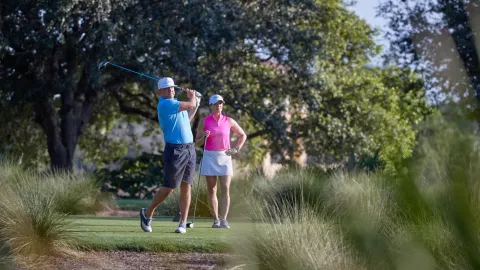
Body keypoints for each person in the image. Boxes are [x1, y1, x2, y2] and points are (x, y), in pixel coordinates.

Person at [140, 77, 200, 234]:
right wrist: (193, 97)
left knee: (187, 186)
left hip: (189, 149)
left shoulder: (176, 105)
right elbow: (191, 104)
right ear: (160, 92)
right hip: (175, 150)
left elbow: (187, 119)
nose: (170, 90)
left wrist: (196, 103)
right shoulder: (167, 104)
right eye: (166, 89)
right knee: (169, 188)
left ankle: (182, 223)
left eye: (172, 88)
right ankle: (147, 213)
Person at [195, 94, 247, 229]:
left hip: (225, 156)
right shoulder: (204, 122)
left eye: (221, 103)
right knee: (212, 190)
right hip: (210, 156)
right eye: (216, 103)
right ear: (211, 106)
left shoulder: (228, 121)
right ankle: (216, 219)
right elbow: (197, 142)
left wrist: (236, 149)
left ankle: (224, 220)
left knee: (225, 189)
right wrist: (204, 138)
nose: (219, 106)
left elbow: (243, 135)